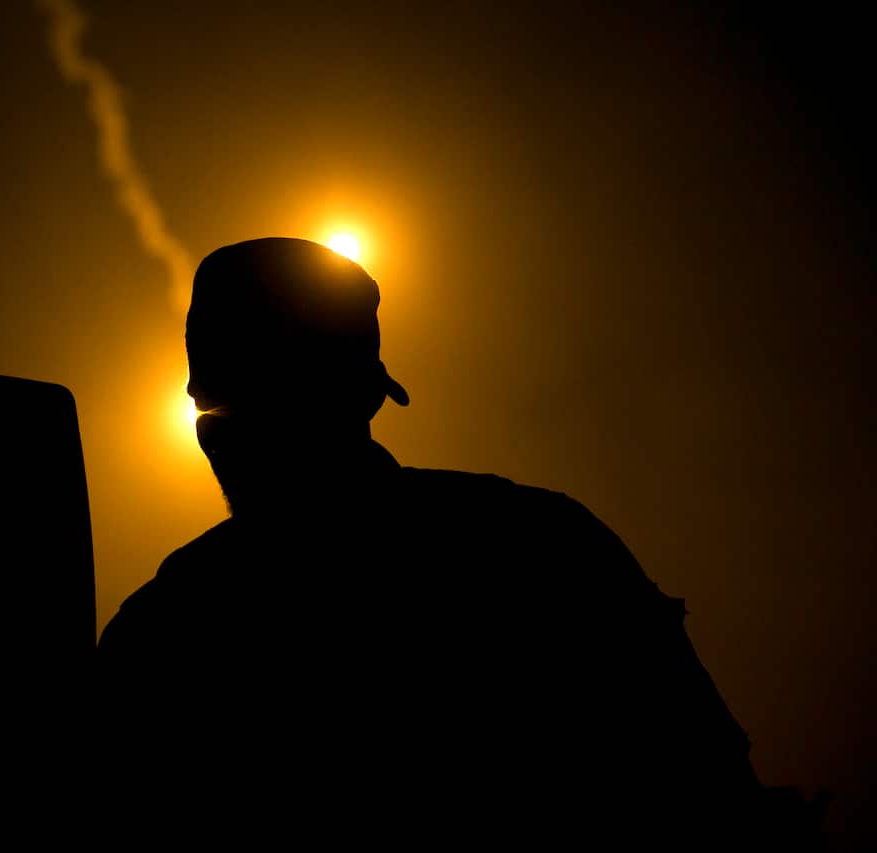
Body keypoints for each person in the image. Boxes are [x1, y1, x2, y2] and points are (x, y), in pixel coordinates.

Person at [97, 237, 774, 843]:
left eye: (228, 412)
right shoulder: (537, 542)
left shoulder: (168, 624)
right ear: (369, 395)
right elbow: (713, 782)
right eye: (221, 413)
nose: (223, 439)